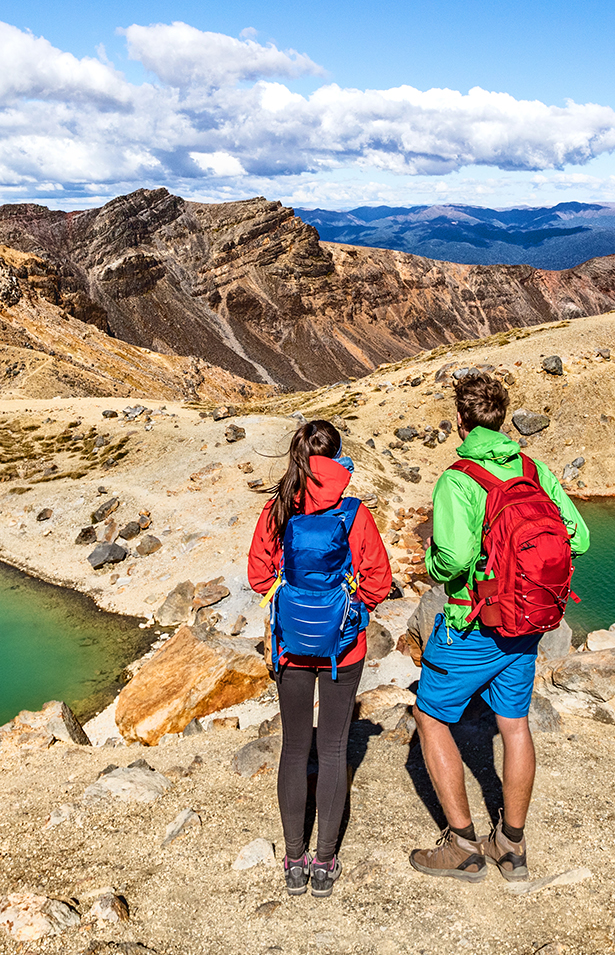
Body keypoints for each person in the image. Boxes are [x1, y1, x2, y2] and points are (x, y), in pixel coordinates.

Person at [409, 374, 588, 881]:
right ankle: (511, 847)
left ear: (460, 421)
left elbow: (454, 560)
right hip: (527, 624)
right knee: (514, 725)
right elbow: (580, 536)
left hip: (474, 624)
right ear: (502, 417)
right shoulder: (532, 468)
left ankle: (463, 846)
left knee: (430, 716)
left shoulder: (458, 479)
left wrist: (437, 563)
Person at [247, 419, 391, 897]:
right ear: (339, 456)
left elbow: (257, 575)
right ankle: (325, 862)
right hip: (343, 649)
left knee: (294, 747)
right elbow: (379, 580)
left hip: (290, 644)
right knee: (332, 749)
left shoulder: (278, 509)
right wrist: (348, 612)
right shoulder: (354, 514)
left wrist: (290, 601)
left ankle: (293, 860)